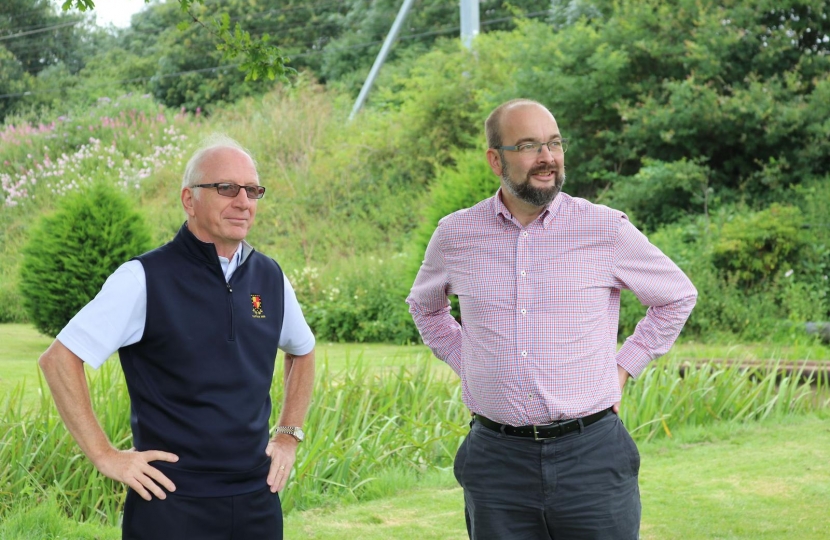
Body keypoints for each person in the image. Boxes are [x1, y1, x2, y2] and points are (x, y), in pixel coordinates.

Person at [407, 99, 697, 540]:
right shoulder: (455, 235)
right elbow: (425, 308)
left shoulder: (605, 229)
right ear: (495, 159)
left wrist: (622, 368)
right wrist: (471, 363)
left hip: (592, 459)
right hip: (496, 463)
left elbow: (676, 296)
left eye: (554, 143)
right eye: (528, 145)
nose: (547, 158)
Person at [38, 134, 316, 540]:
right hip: (172, 503)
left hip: (257, 498)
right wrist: (105, 456)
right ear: (189, 199)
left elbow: (303, 352)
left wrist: (288, 436)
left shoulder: (270, 277)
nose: (243, 201)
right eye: (226, 188)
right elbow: (59, 359)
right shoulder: (143, 279)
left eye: (252, 190)